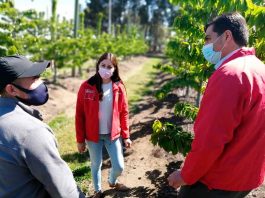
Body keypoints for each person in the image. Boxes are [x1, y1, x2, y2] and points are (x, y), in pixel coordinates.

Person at [168, 12, 265, 198]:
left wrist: (186, 175)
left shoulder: (230, 75)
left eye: (208, 38)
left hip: (216, 181)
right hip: (247, 177)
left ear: (227, 36)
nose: (205, 45)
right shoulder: (260, 68)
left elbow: (210, 139)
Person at [0, 55, 85, 197]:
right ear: (12, 89)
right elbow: (66, 192)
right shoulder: (31, 132)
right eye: (35, 79)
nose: (42, 82)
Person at [75, 52, 132, 198]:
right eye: (103, 65)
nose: (106, 69)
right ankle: (98, 190)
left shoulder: (118, 87)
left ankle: (113, 180)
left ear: (115, 69)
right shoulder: (86, 86)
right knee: (96, 164)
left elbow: (124, 112)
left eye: (110, 66)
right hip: (92, 135)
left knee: (119, 166)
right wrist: (80, 140)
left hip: (112, 134)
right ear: (98, 66)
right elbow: (79, 115)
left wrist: (126, 136)